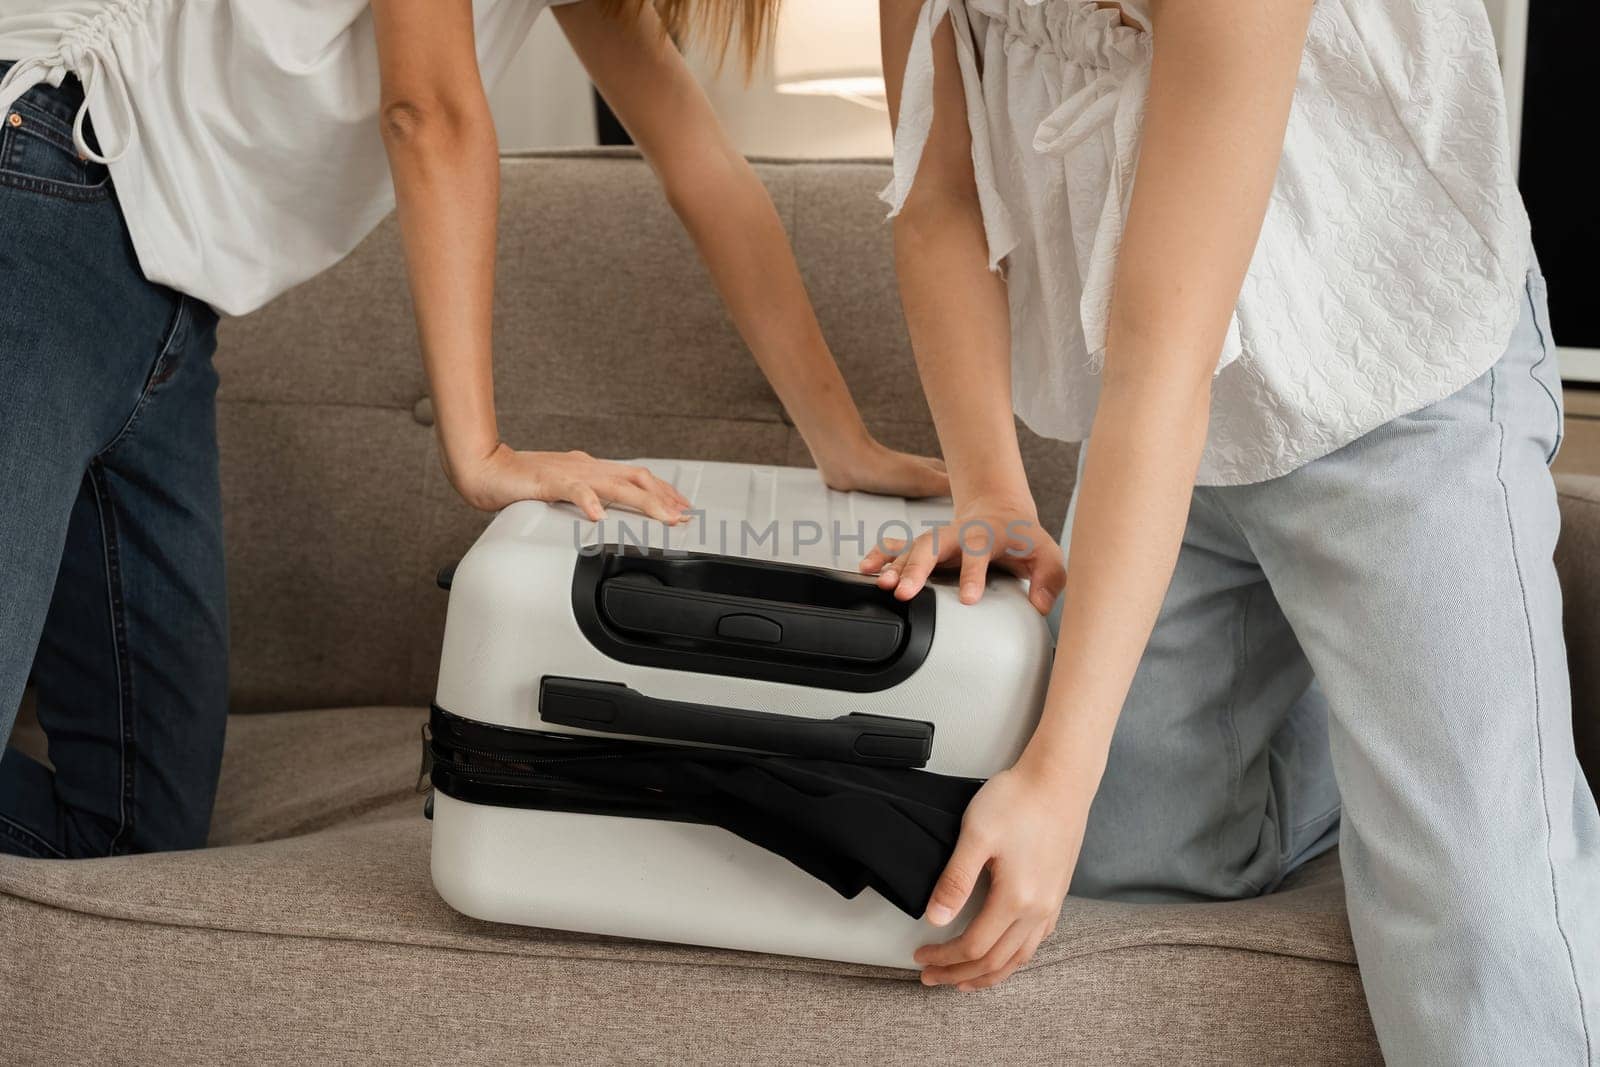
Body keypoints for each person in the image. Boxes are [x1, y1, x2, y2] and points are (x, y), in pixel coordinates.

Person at [0, 0, 945, 861]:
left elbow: (705, 168)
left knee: (130, 830)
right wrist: (480, 452)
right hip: (44, 182)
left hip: (159, 300)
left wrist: (841, 440)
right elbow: (429, 111)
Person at [865, 0, 1598, 1060]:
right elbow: (938, 199)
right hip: (1174, 448)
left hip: (1392, 381)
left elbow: (1164, 354)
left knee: (1480, 918)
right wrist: (990, 491)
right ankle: (1358, 706)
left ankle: (1433, 745)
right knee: (1130, 849)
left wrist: (1057, 775)